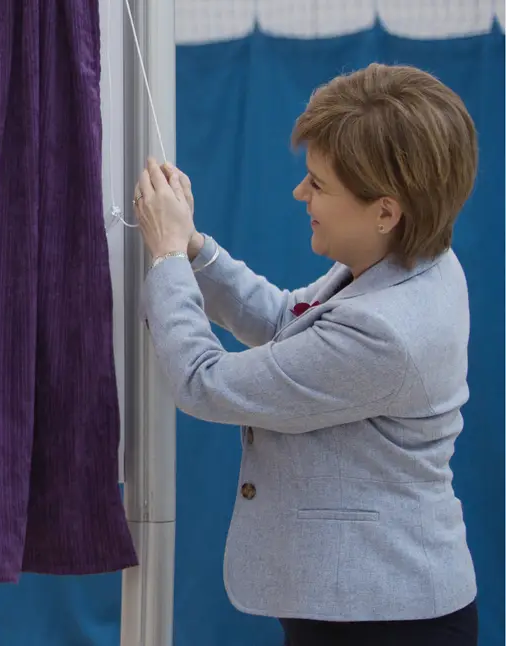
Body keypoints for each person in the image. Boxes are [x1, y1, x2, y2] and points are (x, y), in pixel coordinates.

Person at [131, 63, 480, 646]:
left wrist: (165, 259)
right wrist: (193, 249)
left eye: (318, 183)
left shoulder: (386, 332)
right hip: (359, 604)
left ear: (385, 211)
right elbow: (286, 322)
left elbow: (203, 383)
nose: (301, 193)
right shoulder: (413, 257)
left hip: (385, 623)